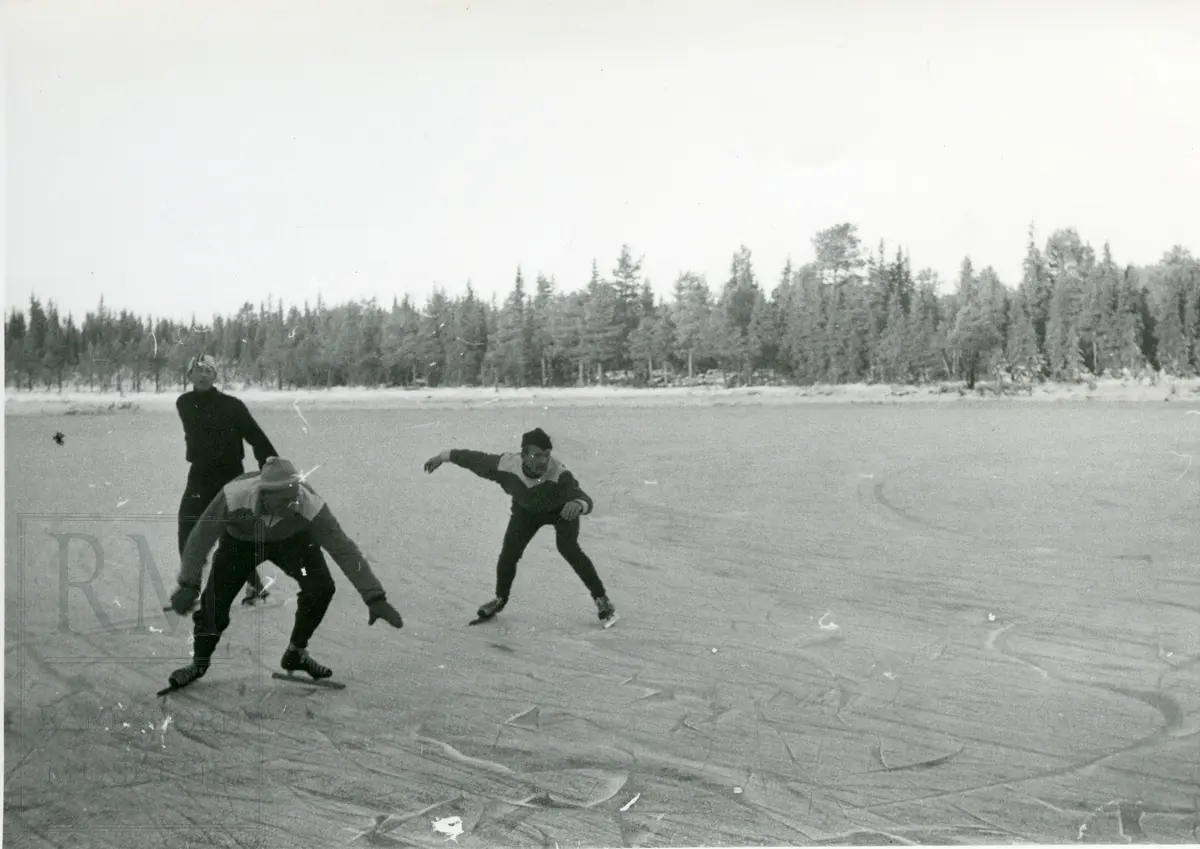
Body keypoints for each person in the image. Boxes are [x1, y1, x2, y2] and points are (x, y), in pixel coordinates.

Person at [164, 456, 405, 689]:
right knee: (214, 605)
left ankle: (296, 653)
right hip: (241, 543)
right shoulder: (234, 495)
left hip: (293, 541)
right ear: (264, 495)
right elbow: (200, 538)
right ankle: (199, 664)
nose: (293, 505)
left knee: (321, 588)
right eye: (284, 501)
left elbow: (343, 548)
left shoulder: (309, 504)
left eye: (294, 497)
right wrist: (189, 583)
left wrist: (374, 596)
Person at [423, 427, 616, 624]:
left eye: (547, 455)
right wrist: (443, 457)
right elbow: (472, 459)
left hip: (561, 513)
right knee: (509, 552)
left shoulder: (560, 475)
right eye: (537, 455)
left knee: (568, 548)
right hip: (526, 513)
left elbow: (583, 497)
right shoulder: (506, 465)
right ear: (523, 456)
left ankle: (602, 599)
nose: (543, 461)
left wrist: (578, 505)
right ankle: (500, 599)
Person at [176, 354, 275, 606]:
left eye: (208, 370)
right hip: (199, 475)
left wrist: (271, 465)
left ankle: (255, 585)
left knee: (233, 536)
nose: (203, 374)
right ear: (189, 376)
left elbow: (256, 437)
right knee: (188, 529)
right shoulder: (184, 403)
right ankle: (191, 587)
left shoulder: (233, 406)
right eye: (197, 370)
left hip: (230, 477)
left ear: (216, 376)